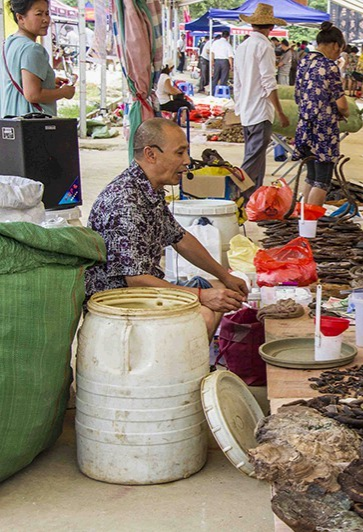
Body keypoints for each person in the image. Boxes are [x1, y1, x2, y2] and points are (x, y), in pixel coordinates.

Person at [85, 118, 248, 338]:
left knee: (221, 290)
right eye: (179, 153)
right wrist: (200, 296)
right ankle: (187, 371)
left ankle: (195, 364)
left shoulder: (149, 188)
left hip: (142, 292)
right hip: (118, 303)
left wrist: (225, 275)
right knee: (203, 315)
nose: (187, 161)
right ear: (151, 154)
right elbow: (136, 279)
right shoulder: (125, 202)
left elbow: (180, 238)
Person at [234, 3, 290, 194]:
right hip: (260, 111)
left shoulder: (243, 46)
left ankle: (253, 196)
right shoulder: (264, 46)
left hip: (247, 109)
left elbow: (237, 82)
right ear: (271, 27)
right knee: (252, 160)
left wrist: (239, 107)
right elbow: (269, 83)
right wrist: (280, 112)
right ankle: (235, 194)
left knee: (256, 158)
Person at [294, 22, 349, 207]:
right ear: (335, 45)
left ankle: (303, 220)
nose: (338, 54)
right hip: (323, 130)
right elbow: (341, 104)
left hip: (304, 126)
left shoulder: (304, 61)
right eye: (340, 49)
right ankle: (310, 223)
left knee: (311, 176)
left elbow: (298, 94)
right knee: (323, 180)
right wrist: (346, 112)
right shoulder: (329, 66)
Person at [1, 0, 75, 117]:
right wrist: (64, 92)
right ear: (20, 18)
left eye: (47, 13)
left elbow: (20, 81)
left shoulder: (9, 44)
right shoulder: (32, 48)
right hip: (31, 124)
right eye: (39, 14)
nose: (45, 19)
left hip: (10, 121)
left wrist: (48, 83)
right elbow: (33, 95)